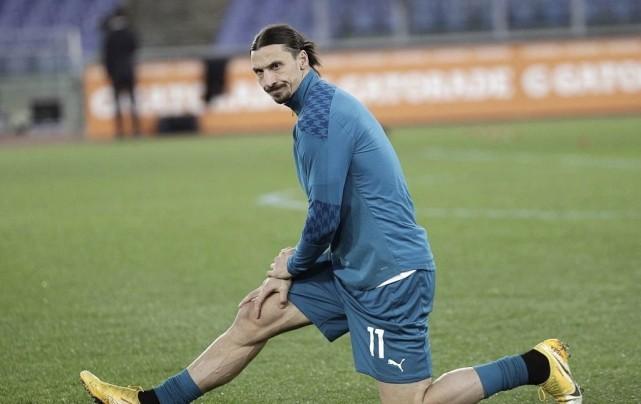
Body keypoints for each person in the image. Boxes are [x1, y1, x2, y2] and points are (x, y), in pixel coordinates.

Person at [80, 24, 582, 404]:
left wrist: (292, 265)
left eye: (276, 67)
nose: (267, 80)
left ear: (302, 61)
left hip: (390, 274)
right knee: (256, 316)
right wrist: (292, 265)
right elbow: (328, 216)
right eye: (258, 72)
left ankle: (539, 365)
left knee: (417, 401)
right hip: (353, 266)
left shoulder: (321, 117)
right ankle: (149, 402)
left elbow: (325, 215)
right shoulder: (314, 110)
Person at [101, 6, 140, 138]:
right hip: (129, 71)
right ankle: (136, 130)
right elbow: (134, 47)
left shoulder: (110, 35)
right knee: (133, 102)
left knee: (117, 103)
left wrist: (108, 72)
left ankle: (120, 131)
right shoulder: (129, 33)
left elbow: (106, 56)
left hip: (116, 72)